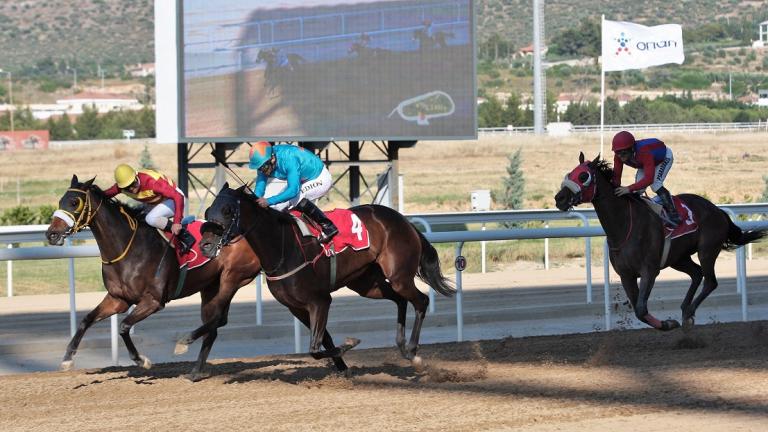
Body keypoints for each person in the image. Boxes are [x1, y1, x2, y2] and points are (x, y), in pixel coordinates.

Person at [249, 141, 338, 243]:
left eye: (263, 167)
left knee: (294, 199)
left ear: (272, 159)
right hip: (303, 179)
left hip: (320, 178)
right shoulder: (264, 162)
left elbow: (293, 190)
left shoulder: (288, 159)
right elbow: (260, 187)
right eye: (259, 168)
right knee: (278, 205)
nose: (262, 171)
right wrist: (253, 202)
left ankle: (328, 226)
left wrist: (268, 201)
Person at [104, 164, 195, 253]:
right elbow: (104, 195)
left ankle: (184, 235)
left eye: (133, 184)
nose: (131, 189)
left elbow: (178, 197)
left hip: (175, 200)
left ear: (136, 176)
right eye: (127, 187)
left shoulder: (152, 183)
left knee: (150, 218)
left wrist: (176, 222)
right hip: (157, 203)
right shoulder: (121, 187)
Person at [611, 131, 682, 226]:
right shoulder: (618, 156)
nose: (620, 155)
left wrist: (628, 188)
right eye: (617, 152)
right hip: (644, 163)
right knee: (639, 190)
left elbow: (649, 179)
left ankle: (674, 214)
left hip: (663, 158)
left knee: (655, 184)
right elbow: (616, 177)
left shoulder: (644, 152)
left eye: (623, 152)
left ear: (631, 148)